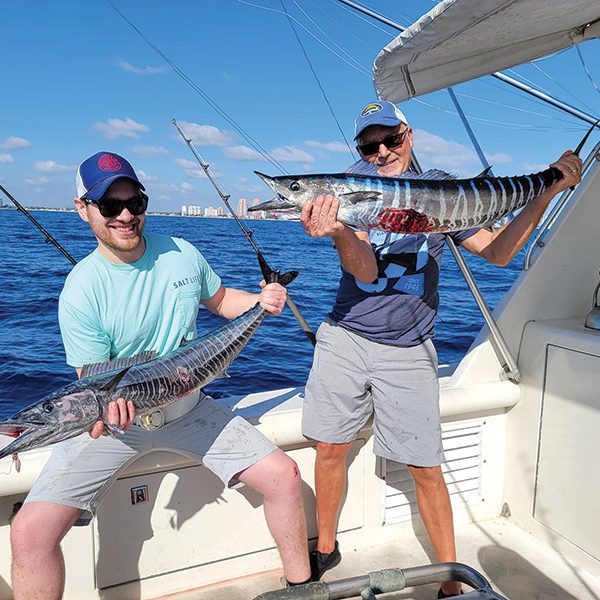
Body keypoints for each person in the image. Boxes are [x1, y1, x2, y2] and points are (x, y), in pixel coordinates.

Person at [300, 101, 582, 598]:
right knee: (330, 448)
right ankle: (326, 547)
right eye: (369, 144)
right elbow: (363, 271)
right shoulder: (349, 188)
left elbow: (498, 254)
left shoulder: (443, 186)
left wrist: (547, 190)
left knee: (426, 467)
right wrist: (341, 228)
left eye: (389, 139)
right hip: (345, 336)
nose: (380, 151)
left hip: (408, 347)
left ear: (407, 134)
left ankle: (451, 580)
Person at [10, 151, 311, 599]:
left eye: (135, 203)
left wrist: (263, 300)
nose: (126, 215)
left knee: (284, 476)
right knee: (28, 534)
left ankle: (300, 588)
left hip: (191, 408)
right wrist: (104, 415)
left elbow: (223, 298)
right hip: (115, 428)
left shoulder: (181, 252)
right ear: (83, 208)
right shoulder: (80, 290)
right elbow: (89, 383)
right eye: (110, 207)